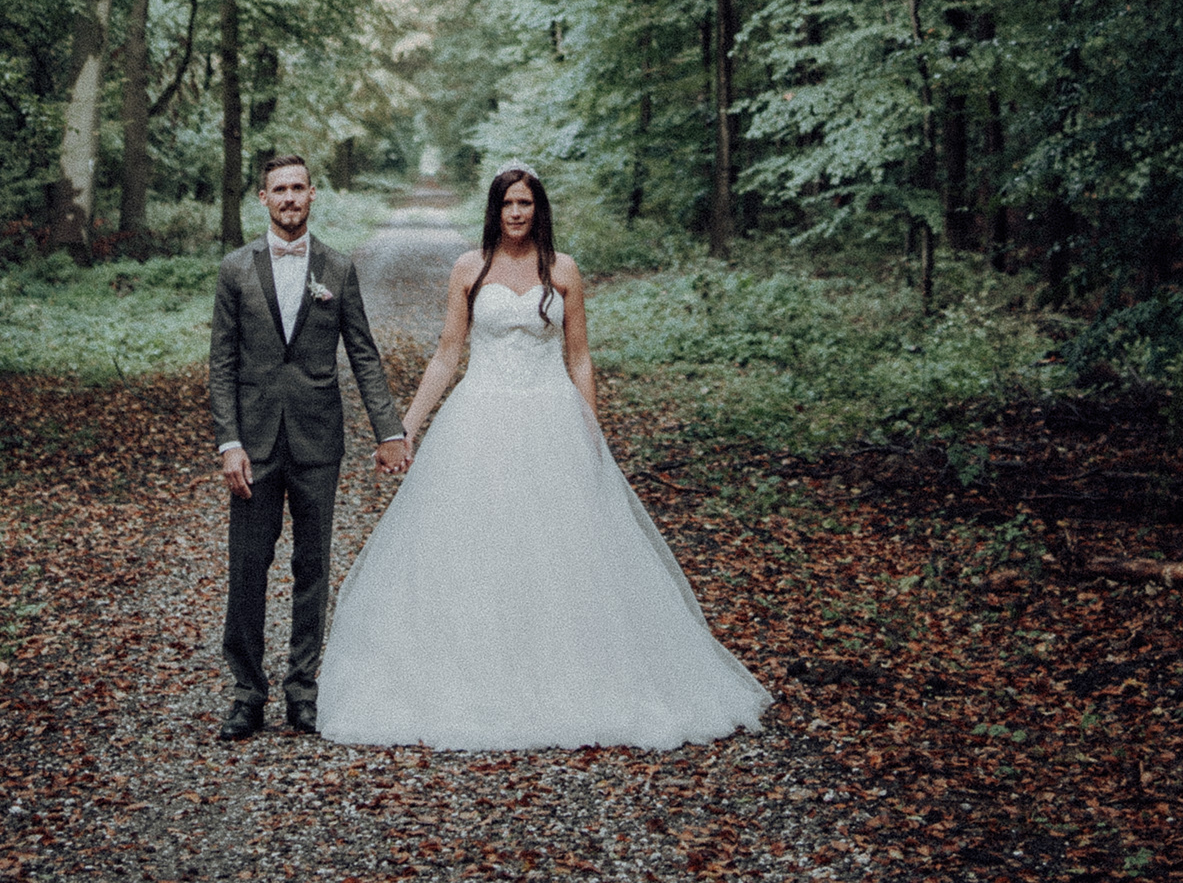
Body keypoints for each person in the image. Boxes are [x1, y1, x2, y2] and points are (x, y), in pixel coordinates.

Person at [315, 163, 771, 750]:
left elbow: (579, 359)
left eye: (525, 202)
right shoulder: (468, 268)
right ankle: (474, 676)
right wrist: (405, 428)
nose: (516, 213)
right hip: (479, 418)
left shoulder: (563, 270)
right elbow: (446, 356)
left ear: (539, 208)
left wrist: (590, 430)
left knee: (563, 547)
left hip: (551, 416)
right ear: (494, 208)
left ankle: (574, 675)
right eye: (507, 203)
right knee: (478, 544)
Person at [208, 151, 409, 741]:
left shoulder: (338, 270)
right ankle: (247, 692)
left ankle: (303, 690)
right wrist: (229, 441)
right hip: (256, 441)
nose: (290, 198)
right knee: (248, 565)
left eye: (298, 188)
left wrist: (389, 431)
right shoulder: (234, 270)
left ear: (313, 195)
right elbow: (221, 364)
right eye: (279, 190)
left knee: (312, 565)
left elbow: (364, 355)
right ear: (263, 199)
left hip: (319, 439)